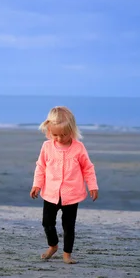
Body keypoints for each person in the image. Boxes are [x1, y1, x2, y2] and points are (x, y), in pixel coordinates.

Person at [30, 106, 98, 264]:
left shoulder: (78, 148)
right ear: (49, 131)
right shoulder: (47, 147)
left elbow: (88, 168)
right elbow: (40, 167)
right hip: (50, 193)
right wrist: (36, 185)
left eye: (64, 134)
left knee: (68, 226)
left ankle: (67, 254)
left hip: (71, 195)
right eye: (55, 135)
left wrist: (92, 186)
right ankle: (52, 246)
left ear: (72, 130)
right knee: (47, 223)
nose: (60, 138)